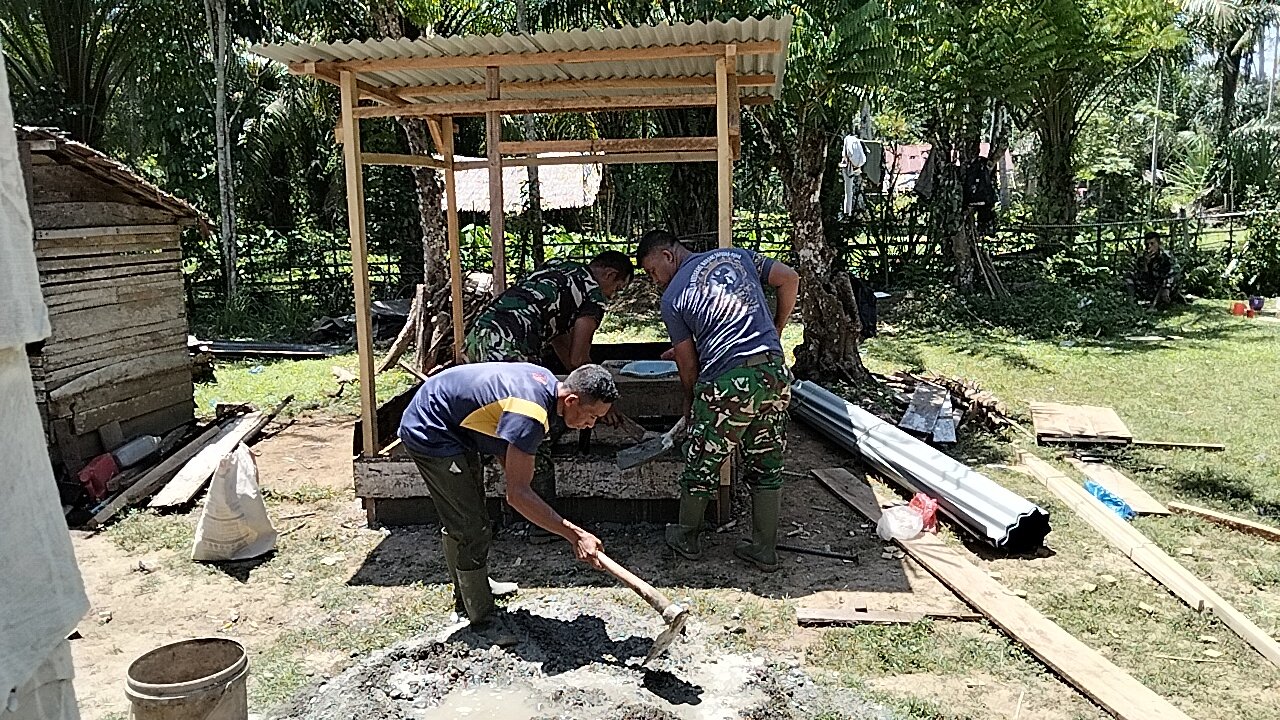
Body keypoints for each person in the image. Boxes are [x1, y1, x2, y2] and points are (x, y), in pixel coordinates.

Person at [397, 362, 618, 646]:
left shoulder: (547, 383)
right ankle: (480, 617)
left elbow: (508, 447)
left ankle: (473, 588)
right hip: (432, 428)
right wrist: (575, 535)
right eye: (592, 416)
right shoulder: (531, 412)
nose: (591, 424)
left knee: (469, 513)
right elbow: (517, 495)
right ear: (572, 400)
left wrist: (520, 481)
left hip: (454, 423)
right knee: (470, 526)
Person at [635, 230, 800, 572]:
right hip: (773, 373)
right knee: (766, 464)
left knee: (701, 463)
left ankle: (686, 537)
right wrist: (776, 331)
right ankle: (764, 549)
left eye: (652, 271)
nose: (654, 281)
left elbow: (687, 365)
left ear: (668, 256)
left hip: (727, 383)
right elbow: (789, 278)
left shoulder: (673, 297)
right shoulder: (736, 256)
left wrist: (691, 404)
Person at [464, 251, 634, 369]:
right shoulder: (594, 295)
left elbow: (559, 340)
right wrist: (600, 391)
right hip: (509, 349)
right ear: (610, 275)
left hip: (475, 338)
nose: (612, 296)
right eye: (617, 289)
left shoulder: (556, 265)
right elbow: (578, 359)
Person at [1128, 231, 1181, 307]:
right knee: (1129, 275)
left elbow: (1175, 272)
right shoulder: (1143, 257)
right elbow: (1143, 278)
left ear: (1158, 244)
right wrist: (1146, 265)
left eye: (1152, 244)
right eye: (1147, 244)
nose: (1149, 247)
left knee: (1170, 276)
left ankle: (1164, 299)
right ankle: (1131, 301)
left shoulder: (1166, 256)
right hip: (1151, 288)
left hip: (1166, 287)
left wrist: (1167, 287)